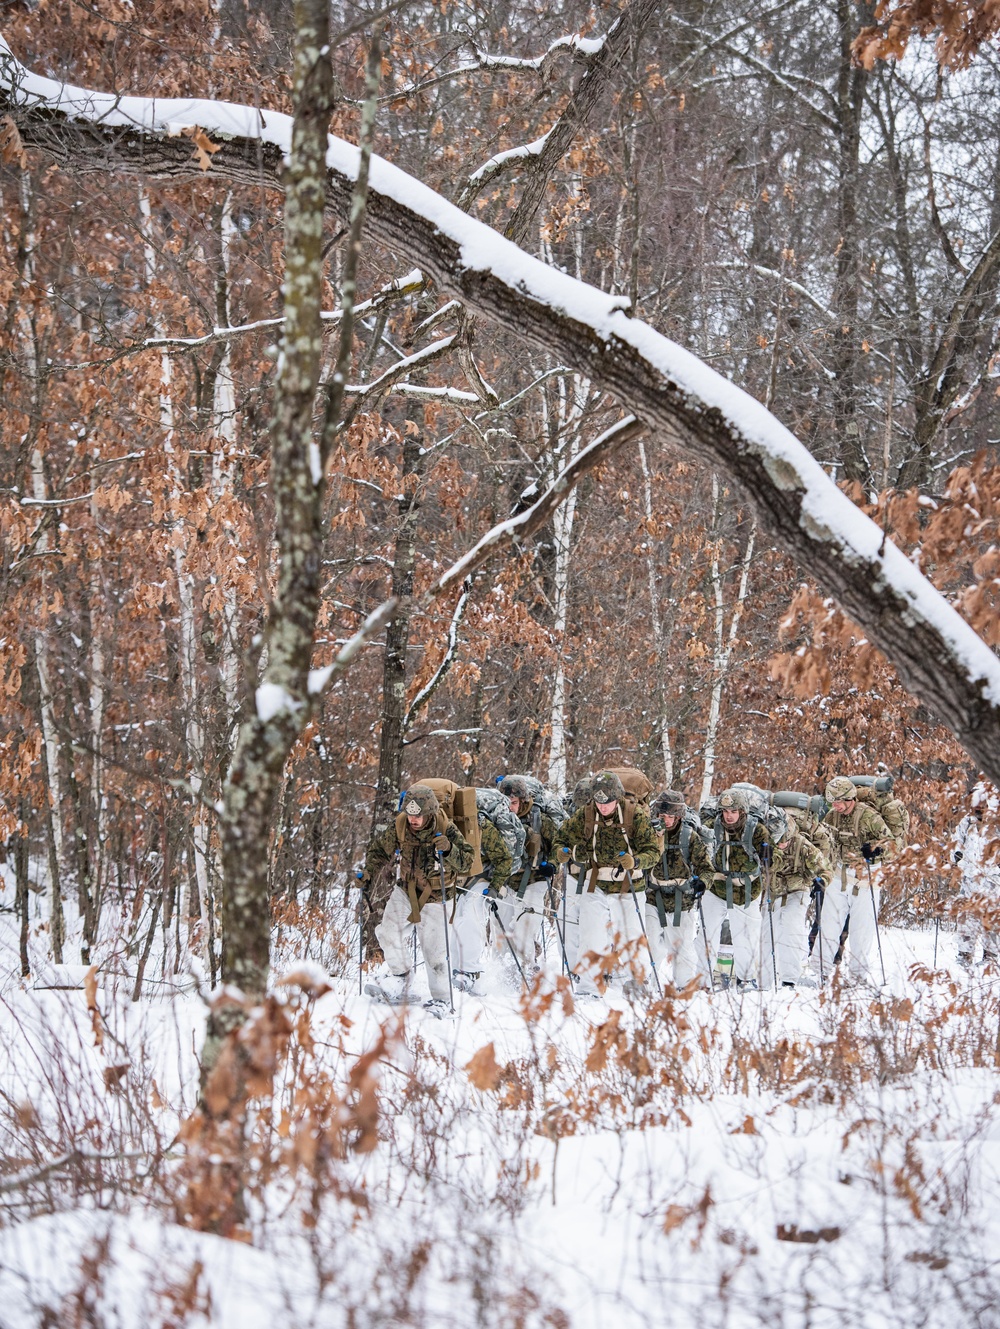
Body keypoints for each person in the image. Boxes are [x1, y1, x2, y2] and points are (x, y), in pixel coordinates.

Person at [362, 784, 475, 1003]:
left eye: (418, 815)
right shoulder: (400, 826)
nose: (413, 819)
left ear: (429, 812)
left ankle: (442, 1000)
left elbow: (467, 861)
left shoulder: (446, 827)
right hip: (406, 889)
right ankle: (401, 977)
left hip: (438, 896)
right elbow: (378, 850)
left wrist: (450, 849)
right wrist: (368, 872)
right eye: (410, 814)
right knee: (387, 932)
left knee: (435, 955)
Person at [554, 770, 659, 996]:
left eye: (608, 802)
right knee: (591, 936)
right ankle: (589, 987)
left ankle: (638, 982)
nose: (603, 807)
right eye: (599, 802)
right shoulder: (586, 814)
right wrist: (563, 852)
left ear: (618, 797)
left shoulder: (635, 815)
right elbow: (561, 837)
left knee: (632, 936)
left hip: (629, 885)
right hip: (596, 883)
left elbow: (653, 851)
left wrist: (637, 861)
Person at [820, 776, 893, 984]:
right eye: (832, 801)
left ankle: (858, 977)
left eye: (839, 801)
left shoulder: (868, 816)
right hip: (838, 876)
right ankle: (821, 971)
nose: (835, 806)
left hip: (865, 878)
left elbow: (891, 843)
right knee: (829, 926)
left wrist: (875, 850)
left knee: (862, 931)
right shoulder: (832, 816)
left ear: (851, 798)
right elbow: (823, 841)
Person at [699, 788, 772, 989]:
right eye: (725, 811)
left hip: (747, 890)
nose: (728, 816)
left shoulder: (757, 830)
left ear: (742, 811)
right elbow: (698, 852)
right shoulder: (710, 827)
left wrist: (769, 856)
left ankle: (746, 979)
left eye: (733, 811)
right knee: (706, 934)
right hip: (717, 887)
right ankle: (701, 980)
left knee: (746, 937)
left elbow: (774, 858)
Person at [492, 775, 561, 975]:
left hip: (534, 878)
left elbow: (559, 842)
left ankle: (526, 967)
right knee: (500, 926)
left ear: (522, 800)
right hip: (505, 880)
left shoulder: (540, 819)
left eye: (513, 803)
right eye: (505, 802)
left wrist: (553, 864)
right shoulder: (497, 816)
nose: (509, 807)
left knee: (525, 923)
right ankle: (501, 973)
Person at [646, 790, 712, 990]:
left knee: (683, 947)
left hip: (681, 898)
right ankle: (647, 980)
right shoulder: (649, 832)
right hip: (652, 896)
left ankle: (684, 985)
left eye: (670, 816)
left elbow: (706, 867)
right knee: (651, 943)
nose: (666, 820)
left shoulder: (688, 836)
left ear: (678, 816)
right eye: (662, 816)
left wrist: (703, 883)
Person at [761, 821, 832, 989]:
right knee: (766, 934)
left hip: (797, 891)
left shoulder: (803, 845)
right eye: (778, 841)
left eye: (784, 841)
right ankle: (764, 980)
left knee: (790, 930)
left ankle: (789, 979)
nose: (781, 845)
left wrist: (822, 881)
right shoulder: (766, 844)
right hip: (773, 892)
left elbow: (825, 868)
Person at [450, 812, 513, 991]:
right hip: (455, 882)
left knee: (472, 918)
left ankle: (470, 972)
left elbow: (504, 859)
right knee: (453, 922)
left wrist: (495, 886)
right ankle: (455, 971)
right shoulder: (441, 824)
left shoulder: (481, 826)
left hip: (482, 880)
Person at [952, 786, 1000, 968]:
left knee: (992, 919)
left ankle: (991, 957)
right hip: (969, 880)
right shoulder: (967, 823)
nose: (979, 807)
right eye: (975, 803)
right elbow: (955, 842)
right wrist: (955, 855)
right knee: (967, 918)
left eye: (982, 803)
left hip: (993, 882)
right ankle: (964, 955)